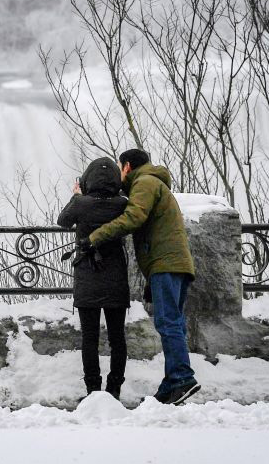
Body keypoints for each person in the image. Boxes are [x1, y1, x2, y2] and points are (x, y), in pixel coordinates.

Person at [87, 149, 200, 405]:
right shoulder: (153, 182)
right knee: (174, 323)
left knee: (168, 322)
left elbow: (134, 216)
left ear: (127, 166)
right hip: (172, 264)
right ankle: (171, 384)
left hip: (166, 265)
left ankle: (182, 377)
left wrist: (95, 236)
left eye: (119, 167)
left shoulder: (145, 182)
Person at [58, 157, 130, 400]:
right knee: (117, 337)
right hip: (115, 277)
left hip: (88, 276)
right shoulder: (122, 204)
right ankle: (114, 388)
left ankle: (93, 390)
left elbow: (63, 221)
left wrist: (76, 196)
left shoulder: (82, 204)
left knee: (90, 338)